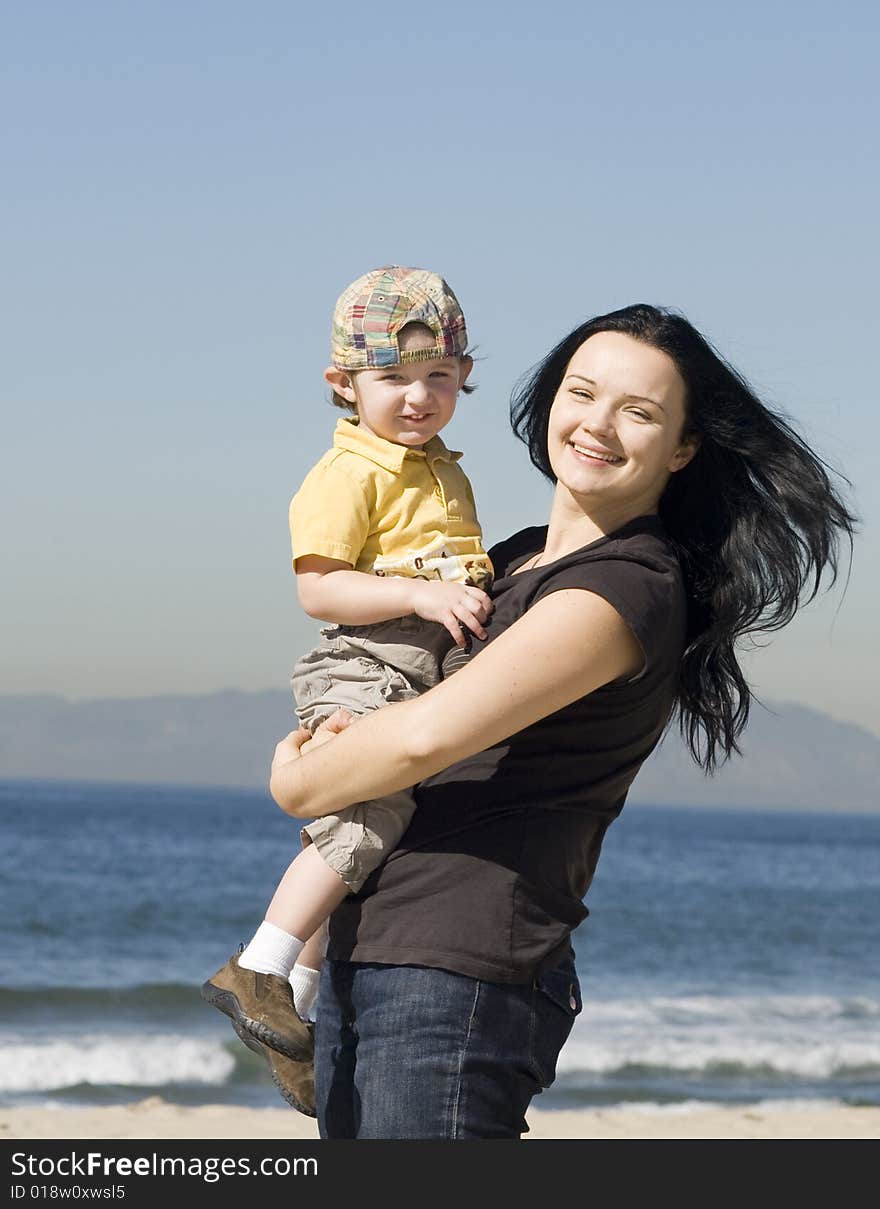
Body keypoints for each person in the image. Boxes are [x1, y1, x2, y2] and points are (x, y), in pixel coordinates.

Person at [265, 302, 856, 1139]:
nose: (598, 424)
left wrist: (298, 779)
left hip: (455, 968)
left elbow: (425, 735)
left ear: (682, 448)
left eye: (640, 412)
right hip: (378, 952)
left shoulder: (622, 589)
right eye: (582, 393)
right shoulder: (511, 558)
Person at [201, 266, 494, 1115]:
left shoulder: (439, 468)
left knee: (365, 830)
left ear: (464, 378)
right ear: (344, 384)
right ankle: (258, 965)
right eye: (393, 379)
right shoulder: (349, 473)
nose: (419, 396)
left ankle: (295, 999)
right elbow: (319, 590)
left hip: (411, 665)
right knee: (367, 812)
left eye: (440, 376)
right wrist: (420, 594)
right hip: (363, 660)